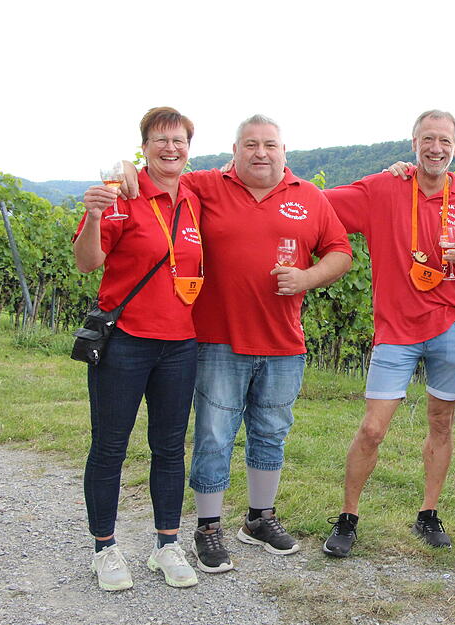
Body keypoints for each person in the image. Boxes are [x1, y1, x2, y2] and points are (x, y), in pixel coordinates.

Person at [120, 114, 352, 574]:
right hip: (217, 340)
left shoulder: (309, 197)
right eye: (251, 144)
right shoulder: (206, 185)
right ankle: (208, 526)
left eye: (269, 144)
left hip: (284, 343)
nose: (260, 153)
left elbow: (340, 252)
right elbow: (157, 176)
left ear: (284, 151)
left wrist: (307, 276)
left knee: (271, 433)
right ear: (235, 150)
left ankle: (259, 519)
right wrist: (126, 173)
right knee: (213, 434)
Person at [320, 110, 455, 557]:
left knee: (441, 423)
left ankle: (428, 513)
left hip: (451, 329)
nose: (436, 148)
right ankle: (347, 517)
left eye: (445, 141)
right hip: (395, 330)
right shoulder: (385, 188)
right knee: (372, 429)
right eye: (428, 139)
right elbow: (318, 203)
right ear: (413, 142)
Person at [74, 106, 202, 591]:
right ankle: (104, 549)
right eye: (161, 140)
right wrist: (92, 215)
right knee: (110, 446)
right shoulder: (121, 198)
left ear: (189, 149)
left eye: (179, 141)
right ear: (144, 147)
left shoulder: (195, 196)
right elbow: (88, 262)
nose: (171, 149)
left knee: (169, 448)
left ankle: (166, 545)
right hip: (125, 342)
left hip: (180, 345)